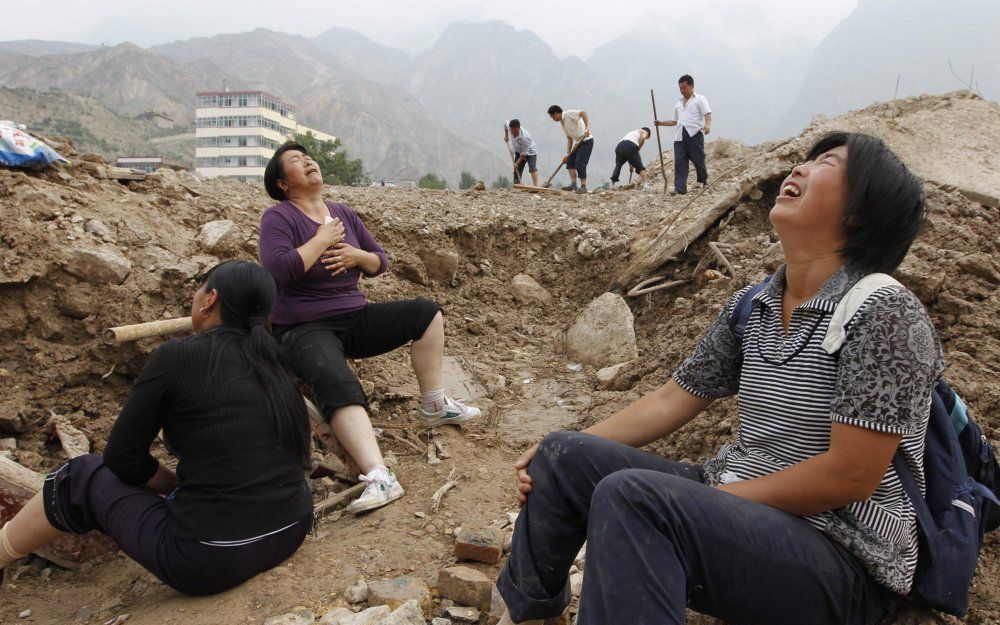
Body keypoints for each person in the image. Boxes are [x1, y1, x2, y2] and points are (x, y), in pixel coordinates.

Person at [496, 132, 942, 625]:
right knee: (563, 454)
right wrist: (552, 451)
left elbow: (852, 474)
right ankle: (531, 613)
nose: (799, 169)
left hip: (840, 557)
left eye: (827, 164)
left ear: (860, 210)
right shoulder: (754, 305)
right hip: (742, 508)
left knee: (634, 499)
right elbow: (672, 400)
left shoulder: (886, 313)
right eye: (806, 159)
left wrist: (708, 502)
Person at [0, 261, 314, 594]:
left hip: (210, 559)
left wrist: (172, 484)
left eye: (199, 289)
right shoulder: (275, 360)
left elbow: (121, 457)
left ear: (210, 299)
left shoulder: (176, 357)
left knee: (80, 474)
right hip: (290, 531)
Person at [259, 142, 481, 514]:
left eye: (308, 156)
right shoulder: (279, 217)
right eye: (296, 161)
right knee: (337, 383)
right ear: (283, 183)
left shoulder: (342, 213)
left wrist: (357, 256)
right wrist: (321, 240)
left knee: (425, 313)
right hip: (303, 326)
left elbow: (381, 262)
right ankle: (378, 475)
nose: (309, 161)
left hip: (354, 317)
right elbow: (278, 270)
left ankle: (434, 404)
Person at [655, 74, 711, 195]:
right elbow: (674, 121)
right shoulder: (679, 103)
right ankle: (680, 189)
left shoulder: (700, 99)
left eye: (684, 87)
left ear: (691, 86)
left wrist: (707, 125)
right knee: (680, 162)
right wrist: (661, 123)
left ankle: (703, 180)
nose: (682, 90)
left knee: (698, 159)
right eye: (680, 88)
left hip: (694, 134)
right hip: (680, 136)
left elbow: (707, 114)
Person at [547, 105, 594, 193]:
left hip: (586, 140)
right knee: (570, 161)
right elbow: (569, 139)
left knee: (580, 163)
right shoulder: (562, 124)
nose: (553, 119)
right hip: (578, 143)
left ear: (556, 113)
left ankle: (583, 186)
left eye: (552, 117)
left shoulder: (569, 114)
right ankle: (573, 184)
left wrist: (586, 128)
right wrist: (568, 154)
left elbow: (583, 113)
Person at [504, 119, 539, 187]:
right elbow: (505, 125)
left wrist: (517, 163)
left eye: (512, 130)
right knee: (517, 169)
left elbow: (524, 154)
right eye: (510, 129)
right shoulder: (510, 127)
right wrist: (506, 135)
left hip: (530, 151)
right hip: (519, 150)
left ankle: (536, 186)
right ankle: (517, 185)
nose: (511, 131)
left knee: (532, 168)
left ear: (517, 128)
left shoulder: (526, 137)